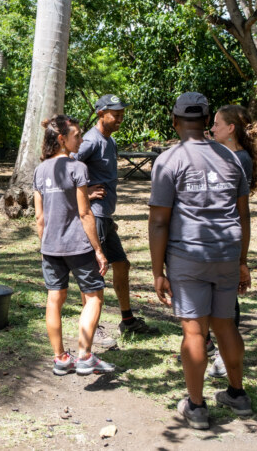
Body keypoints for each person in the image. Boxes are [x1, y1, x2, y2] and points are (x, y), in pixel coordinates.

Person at [148, 93, 253, 430]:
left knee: (195, 329)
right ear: (208, 121)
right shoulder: (232, 158)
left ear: (175, 120)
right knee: (225, 324)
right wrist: (242, 261)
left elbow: (159, 221)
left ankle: (196, 406)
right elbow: (243, 215)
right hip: (226, 253)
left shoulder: (168, 160)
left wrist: (157, 271)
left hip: (187, 256)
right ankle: (237, 394)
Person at [33, 114, 115, 376]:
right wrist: (99, 251)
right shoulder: (77, 168)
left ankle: (59, 359)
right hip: (78, 247)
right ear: (61, 139)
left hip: (51, 248)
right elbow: (85, 213)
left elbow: (39, 217)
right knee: (94, 298)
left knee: (54, 300)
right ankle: (84, 355)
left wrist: (46, 244)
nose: (81, 139)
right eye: (77, 135)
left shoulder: (39, 170)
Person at [74, 94, 157, 342]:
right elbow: (63, 169)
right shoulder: (89, 141)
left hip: (105, 217)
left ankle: (128, 321)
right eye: (115, 113)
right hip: (94, 215)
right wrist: (84, 193)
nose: (120, 117)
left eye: (122, 113)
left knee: (122, 264)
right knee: (95, 271)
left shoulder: (109, 141)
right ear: (101, 114)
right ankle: (93, 328)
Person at [206, 104, 257, 378]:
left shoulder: (238, 160)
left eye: (217, 124)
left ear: (231, 129)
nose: (212, 129)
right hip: (213, 238)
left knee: (227, 300)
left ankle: (222, 355)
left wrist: (243, 259)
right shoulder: (226, 155)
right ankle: (210, 345)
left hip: (225, 238)